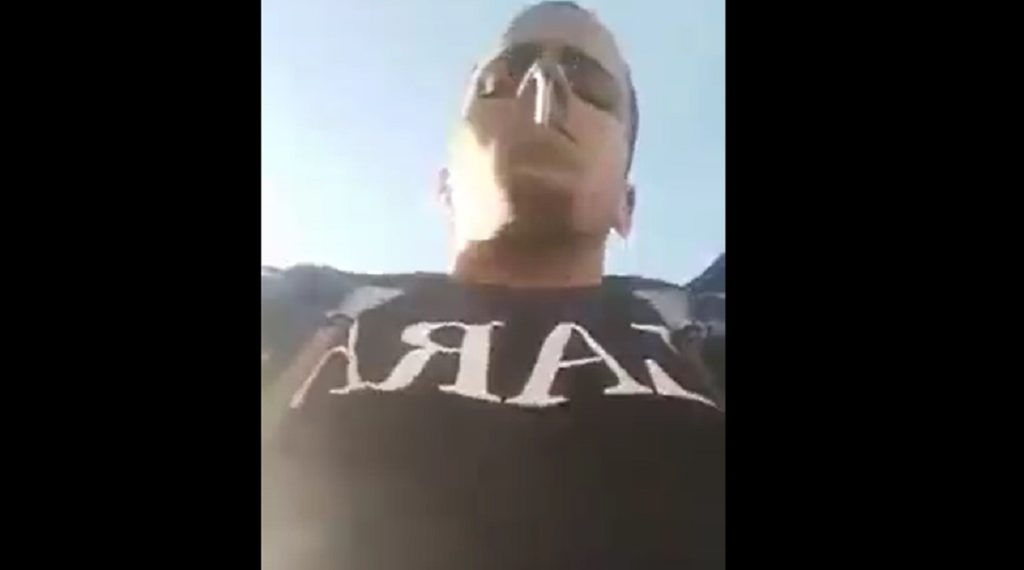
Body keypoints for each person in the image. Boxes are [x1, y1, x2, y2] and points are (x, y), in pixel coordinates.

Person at [261, 2, 725, 568]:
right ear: (444, 185)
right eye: (502, 77)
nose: (543, 85)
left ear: (626, 207)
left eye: (591, 85)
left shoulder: (700, 319)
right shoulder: (310, 303)